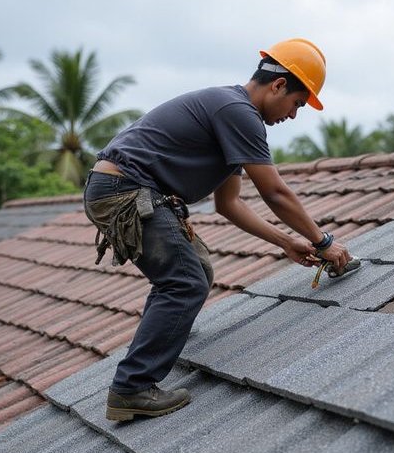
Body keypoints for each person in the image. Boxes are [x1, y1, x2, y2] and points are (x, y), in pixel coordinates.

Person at [83, 38, 351, 422]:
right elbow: (274, 192)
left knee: (198, 269)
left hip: (123, 188)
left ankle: (164, 340)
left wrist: (286, 242)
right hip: (125, 190)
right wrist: (321, 241)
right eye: (296, 103)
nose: (293, 115)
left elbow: (230, 204)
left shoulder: (230, 116)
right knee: (185, 282)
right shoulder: (239, 112)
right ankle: (132, 389)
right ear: (278, 85)